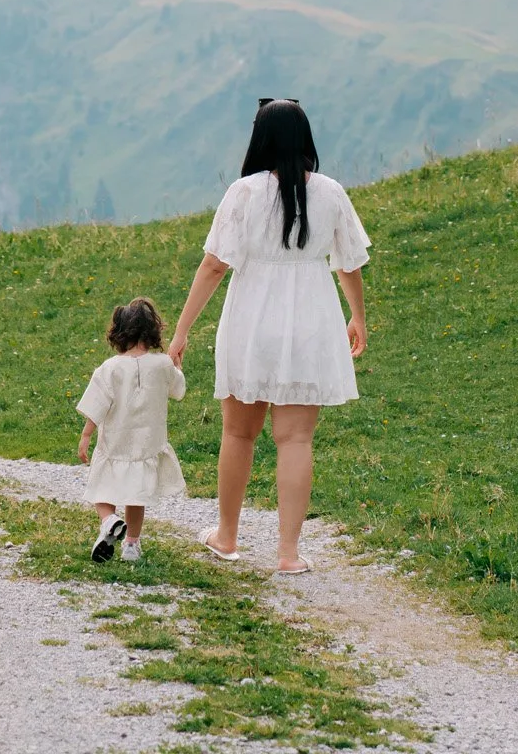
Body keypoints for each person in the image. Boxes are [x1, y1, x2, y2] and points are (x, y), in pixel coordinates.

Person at [168, 97, 369, 574]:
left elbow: (215, 265)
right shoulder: (331, 192)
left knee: (239, 433)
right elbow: (350, 262)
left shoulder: (244, 192)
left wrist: (181, 331)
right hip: (312, 322)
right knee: (296, 439)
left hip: (252, 320)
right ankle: (288, 555)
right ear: (305, 140)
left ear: (259, 139)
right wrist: (358, 316)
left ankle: (227, 536)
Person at [77, 295, 186, 562]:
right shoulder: (162, 365)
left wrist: (86, 435)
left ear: (119, 333)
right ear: (152, 331)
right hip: (146, 445)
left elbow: (96, 404)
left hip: (115, 444)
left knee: (101, 489)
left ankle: (109, 520)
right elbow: (177, 389)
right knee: (136, 496)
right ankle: (131, 545)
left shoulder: (110, 369)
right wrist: (177, 365)